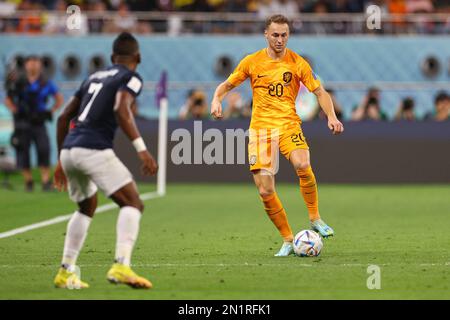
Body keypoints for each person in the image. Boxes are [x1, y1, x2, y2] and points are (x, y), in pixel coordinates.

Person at [210, 14, 343, 257]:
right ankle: (288, 239)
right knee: (265, 189)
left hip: (288, 124)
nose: (280, 40)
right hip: (261, 130)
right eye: (275, 35)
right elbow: (226, 86)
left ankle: (315, 217)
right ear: (266, 35)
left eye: (284, 35)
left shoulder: (297, 63)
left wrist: (332, 117)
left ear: (288, 35)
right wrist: (216, 99)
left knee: (303, 164)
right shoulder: (252, 62)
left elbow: (320, 92)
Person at [53, 32, 158, 289]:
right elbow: (121, 109)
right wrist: (142, 149)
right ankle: (122, 265)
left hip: (70, 150)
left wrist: (60, 160)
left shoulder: (92, 77)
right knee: (133, 202)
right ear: (138, 57)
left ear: (113, 57)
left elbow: (63, 117)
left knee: (86, 206)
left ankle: (66, 271)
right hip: (93, 148)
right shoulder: (130, 77)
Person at [4, 55, 64, 191]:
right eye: (31, 63)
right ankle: (28, 181)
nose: (33, 66)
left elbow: (58, 98)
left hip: (39, 121)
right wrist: (15, 110)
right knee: (23, 151)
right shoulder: (19, 81)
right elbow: (8, 99)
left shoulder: (46, 82)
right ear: (26, 65)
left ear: (40, 66)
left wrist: (51, 111)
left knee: (44, 149)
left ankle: (45, 181)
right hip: (22, 122)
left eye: (36, 63)